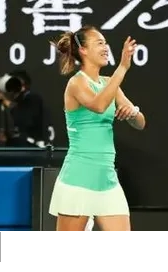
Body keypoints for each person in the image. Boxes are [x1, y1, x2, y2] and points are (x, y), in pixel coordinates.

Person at [49, 26, 146, 232]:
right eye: (99, 43)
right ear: (83, 50)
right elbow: (99, 105)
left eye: (105, 43)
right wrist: (122, 67)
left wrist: (132, 112)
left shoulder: (109, 83)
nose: (105, 47)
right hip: (78, 177)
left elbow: (140, 123)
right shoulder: (76, 83)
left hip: (107, 179)